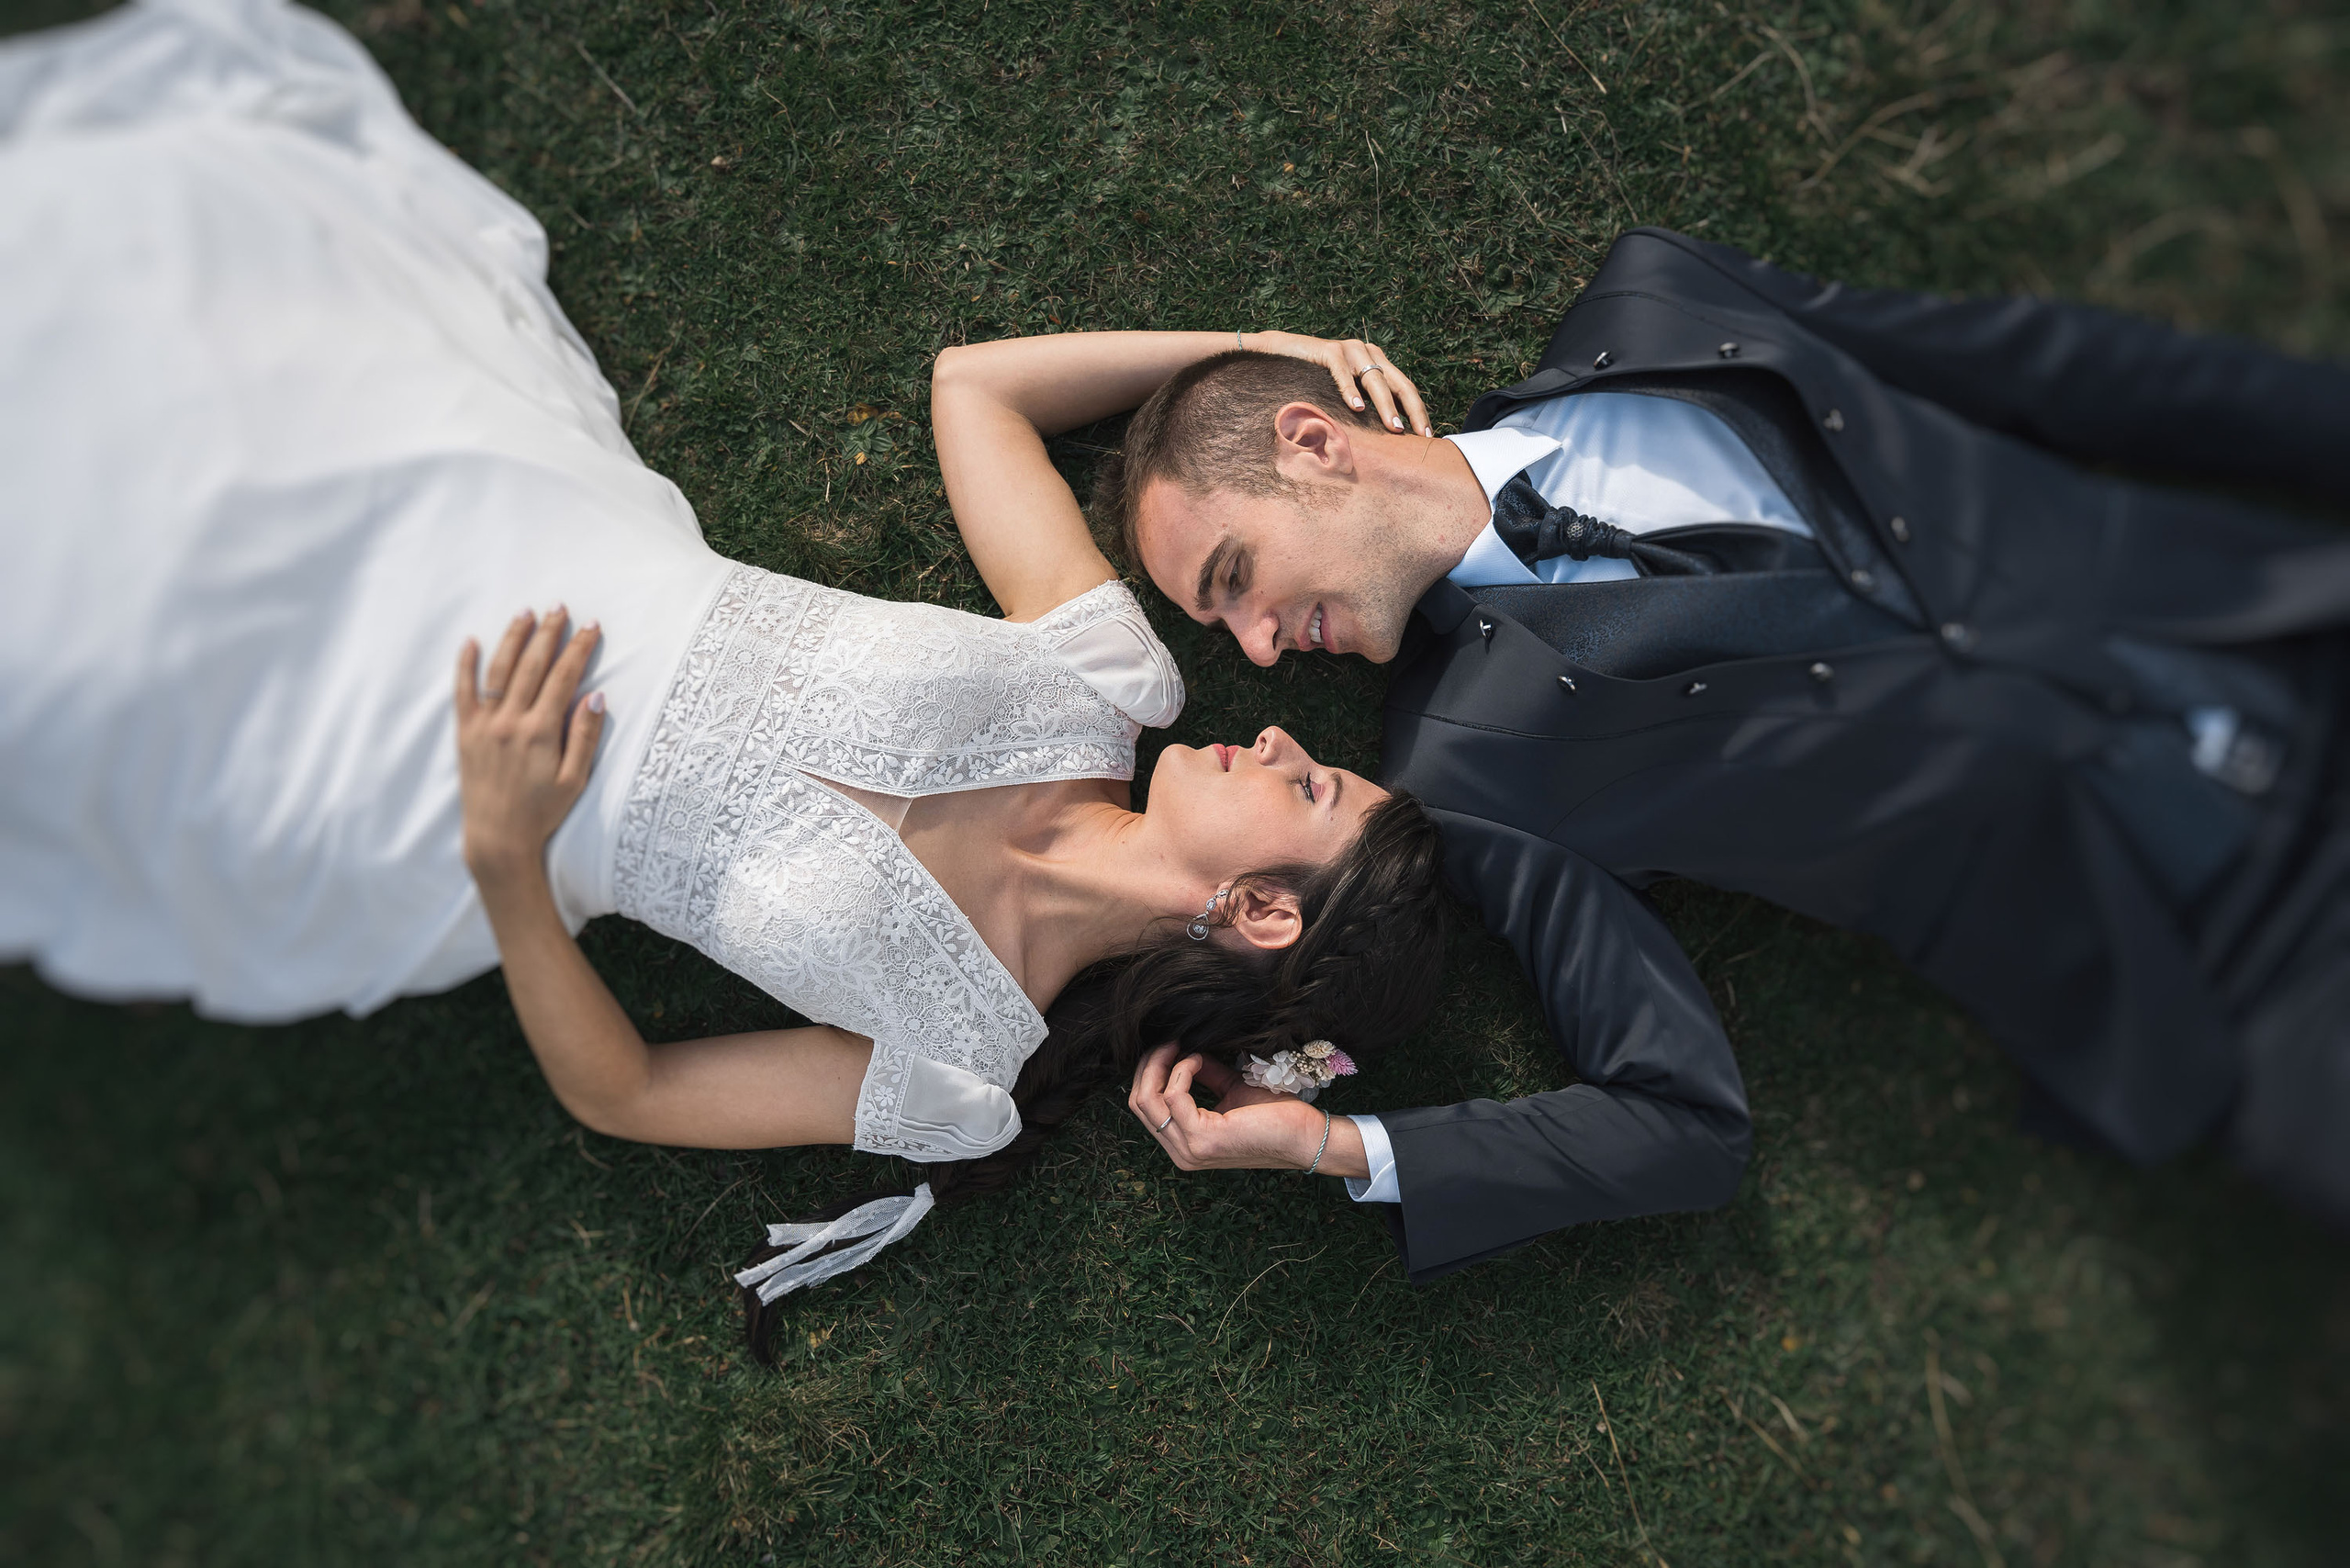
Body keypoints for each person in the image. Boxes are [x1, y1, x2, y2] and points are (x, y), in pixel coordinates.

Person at [0, 0, 1452, 1330]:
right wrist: (1249, 351)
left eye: (1310, 783)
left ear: (1259, 911)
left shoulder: (959, 1077)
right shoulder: (1103, 681)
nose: (1276, 737)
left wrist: (507, 861)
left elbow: (627, 1093)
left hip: (447, 776)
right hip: (533, 536)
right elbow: (976, 387)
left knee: (83, 657)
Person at [1103, 226, 2350, 1280]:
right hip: (2238, 968)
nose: (1259, 650)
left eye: (1236, 580)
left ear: (1314, 443)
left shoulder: (1662, 303)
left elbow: (2044, 370)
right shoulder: (1470, 767)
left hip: (2280, 624)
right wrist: (1315, 1120)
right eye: (1221, 628)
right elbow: (1675, 1116)